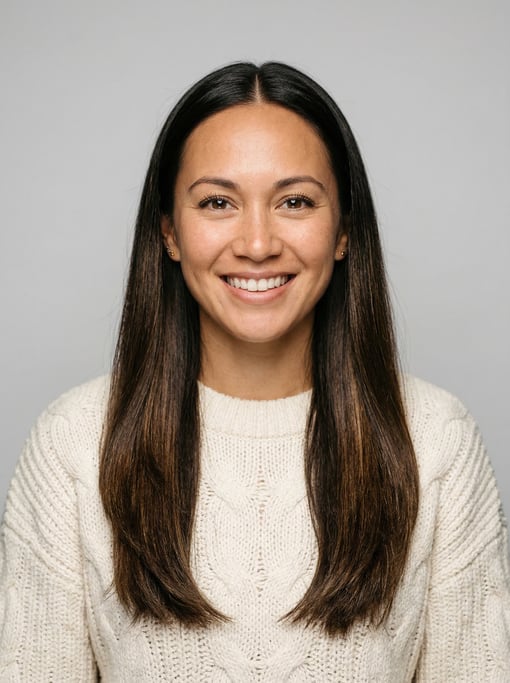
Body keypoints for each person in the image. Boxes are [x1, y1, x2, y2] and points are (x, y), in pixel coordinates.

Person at [0, 61, 509, 681]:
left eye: (295, 201)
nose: (258, 242)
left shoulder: (436, 443)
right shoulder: (74, 447)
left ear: (344, 230)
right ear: (169, 233)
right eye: (218, 202)